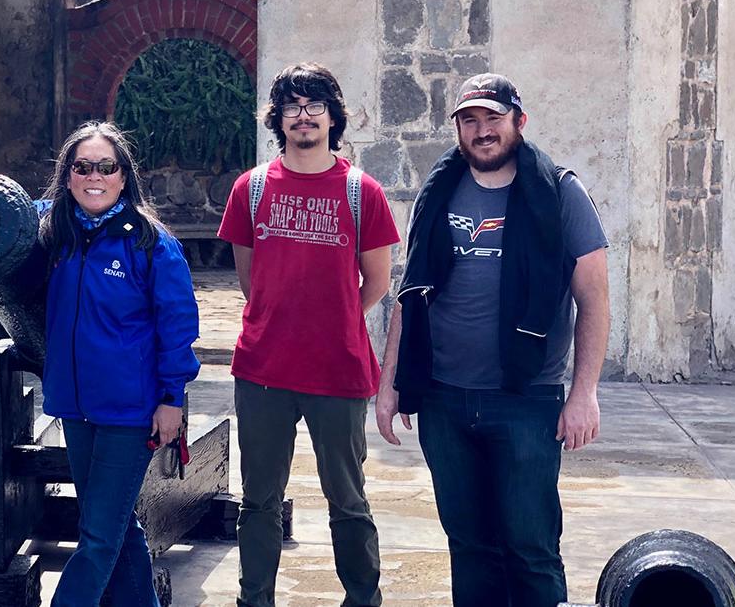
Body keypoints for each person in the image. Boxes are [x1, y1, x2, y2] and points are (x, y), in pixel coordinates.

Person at [375, 73, 610, 607]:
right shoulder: (438, 194)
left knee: (530, 546)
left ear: (518, 122)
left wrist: (585, 393)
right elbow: (411, 295)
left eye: (493, 119)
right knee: (470, 545)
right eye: (470, 120)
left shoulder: (560, 193)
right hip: (442, 397)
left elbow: (594, 299)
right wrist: (390, 384)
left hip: (526, 400)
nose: (482, 131)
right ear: (458, 128)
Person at [217, 62, 401, 607]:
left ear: (332, 117)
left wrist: (334, 315)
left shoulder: (360, 191)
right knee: (259, 502)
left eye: (315, 105)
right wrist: (284, 315)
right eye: (292, 106)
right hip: (263, 371)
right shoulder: (250, 189)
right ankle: (256, 600)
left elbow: (378, 280)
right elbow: (250, 279)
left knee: (347, 499)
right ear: (278, 118)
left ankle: (363, 599)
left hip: (338, 370)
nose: (303, 115)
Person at [39, 121, 200, 607]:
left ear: (123, 177)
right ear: (67, 176)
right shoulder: (56, 231)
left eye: (105, 167)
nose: (94, 176)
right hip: (75, 408)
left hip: (130, 414)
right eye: (82, 166)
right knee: (114, 526)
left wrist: (173, 399)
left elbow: (177, 326)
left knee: (97, 540)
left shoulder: (151, 244)